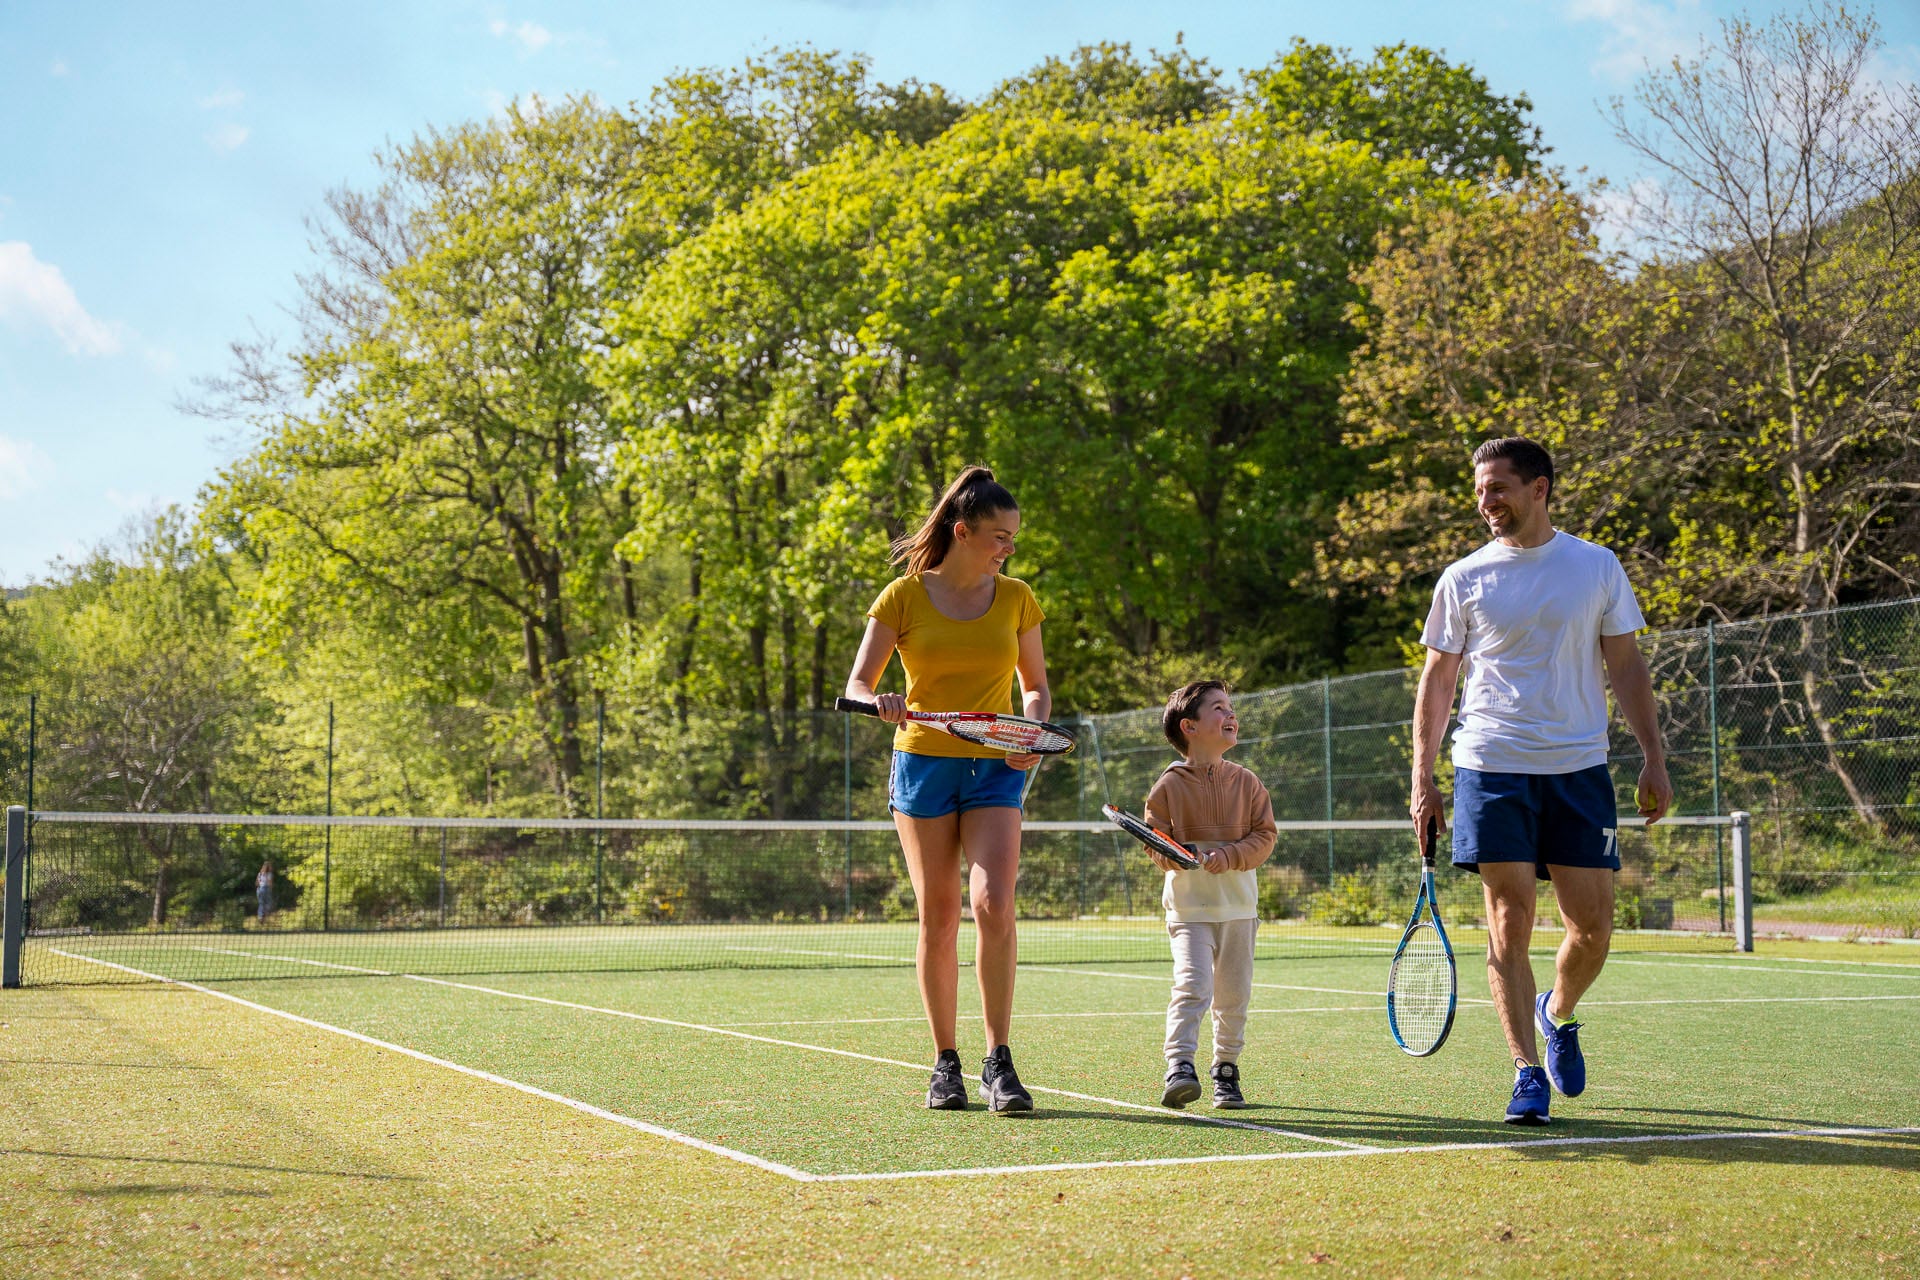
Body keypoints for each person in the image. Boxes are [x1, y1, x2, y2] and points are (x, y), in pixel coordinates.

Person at [1410, 437, 1672, 1125]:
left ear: (1540, 489)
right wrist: (1423, 779)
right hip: (1489, 766)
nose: (1486, 502)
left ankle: (1555, 1011)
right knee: (1510, 920)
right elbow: (1437, 685)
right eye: (1479, 492)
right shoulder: (1463, 578)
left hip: (1579, 770)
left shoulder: (1596, 566)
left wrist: (1653, 755)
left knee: (1593, 930)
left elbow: (1626, 666)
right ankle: (1526, 1071)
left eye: (1498, 488)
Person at [845, 466, 1052, 1114]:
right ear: (962, 532)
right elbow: (857, 683)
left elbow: (1036, 688)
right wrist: (877, 701)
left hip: (996, 769)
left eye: (1013, 537)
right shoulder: (902, 597)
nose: (1008, 547)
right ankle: (946, 1063)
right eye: (998, 535)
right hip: (923, 767)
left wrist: (1032, 737)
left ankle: (999, 1060)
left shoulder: (1018, 598)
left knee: (993, 906)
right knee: (938, 917)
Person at [1143, 681, 1276, 1110]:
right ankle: (1179, 1064)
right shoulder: (1167, 786)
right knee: (1192, 985)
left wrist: (1229, 855)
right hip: (1188, 911)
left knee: (1233, 996)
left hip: (1240, 911)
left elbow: (1265, 837)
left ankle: (1226, 1069)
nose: (1230, 715)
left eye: (1231, 707)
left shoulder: (1249, 782)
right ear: (1190, 726)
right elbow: (1155, 844)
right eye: (1218, 708)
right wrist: (1178, 858)